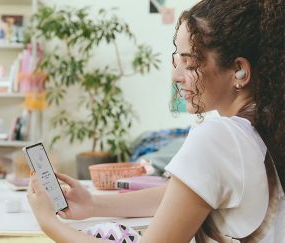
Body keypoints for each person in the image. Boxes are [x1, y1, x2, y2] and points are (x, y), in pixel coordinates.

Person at [27, 0, 285, 242]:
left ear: (240, 70)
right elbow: (185, 196)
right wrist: (94, 204)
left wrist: (49, 222)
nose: (175, 76)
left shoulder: (219, 136)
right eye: (177, 60)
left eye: (190, 63)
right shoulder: (263, 128)